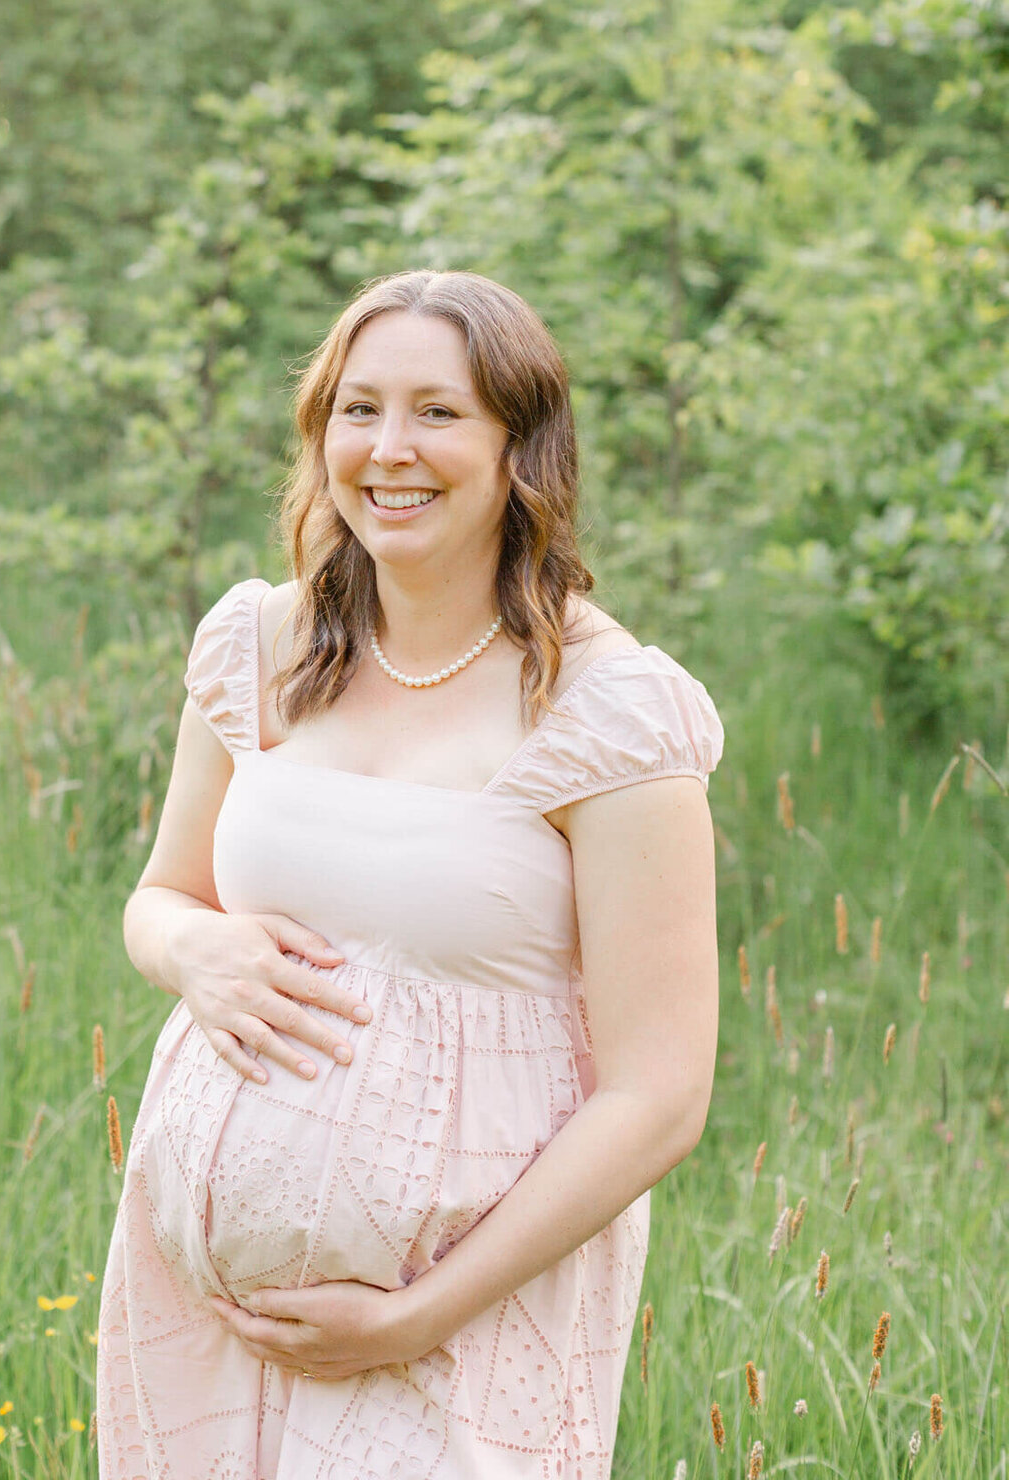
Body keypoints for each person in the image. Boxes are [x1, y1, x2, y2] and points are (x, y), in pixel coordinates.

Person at [95, 268, 725, 1478]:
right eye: (358, 407)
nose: (391, 449)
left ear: (517, 449)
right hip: (202, 1318)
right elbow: (160, 898)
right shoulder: (260, 645)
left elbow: (659, 1095)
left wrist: (413, 1317)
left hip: (460, 1324)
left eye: (438, 412)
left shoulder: (611, 712)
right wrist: (197, 950)